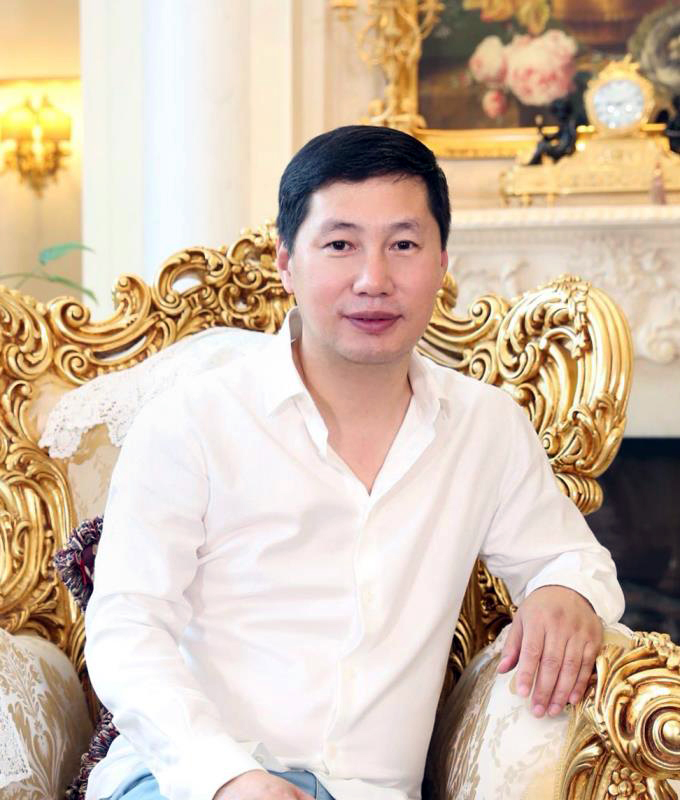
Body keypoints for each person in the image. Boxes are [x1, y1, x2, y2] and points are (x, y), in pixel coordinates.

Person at [84, 125, 624, 800]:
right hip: (187, 781)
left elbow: (571, 558)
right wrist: (228, 777)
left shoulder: (485, 427)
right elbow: (127, 627)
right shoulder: (190, 422)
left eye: (403, 245)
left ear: (442, 263)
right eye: (340, 245)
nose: (374, 280)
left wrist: (563, 592)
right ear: (287, 261)